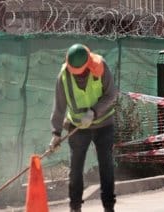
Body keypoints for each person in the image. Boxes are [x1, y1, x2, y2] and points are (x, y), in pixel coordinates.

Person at [49, 43, 118, 212]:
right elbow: (59, 106)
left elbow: (111, 95)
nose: (77, 75)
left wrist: (94, 112)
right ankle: (75, 207)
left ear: (88, 64)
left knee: (106, 166)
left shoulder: (100, 66)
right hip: (78, 127)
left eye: (80, 72)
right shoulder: (64, 75)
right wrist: (56, 133)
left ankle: (109, 207)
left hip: (104, 124)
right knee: (76, 169)